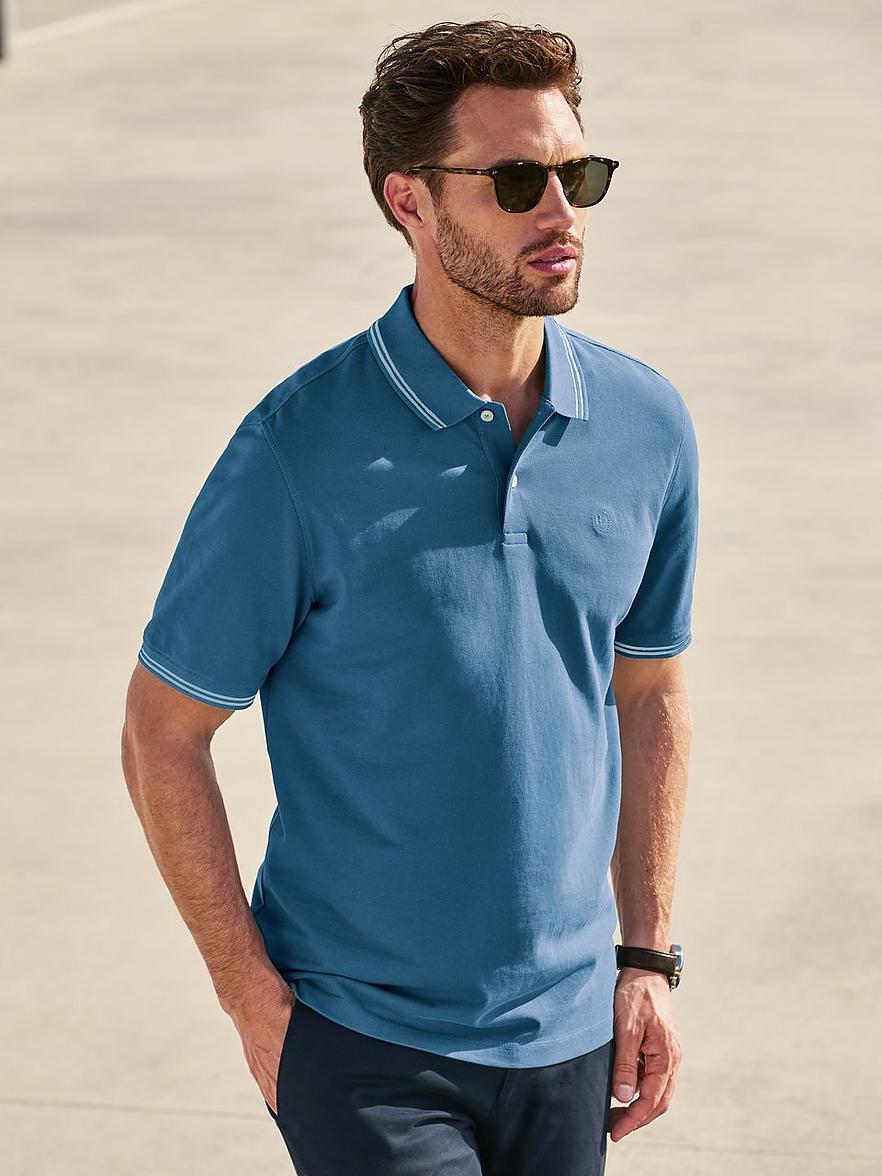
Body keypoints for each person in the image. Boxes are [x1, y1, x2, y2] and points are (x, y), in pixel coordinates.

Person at [121, 17, 698, 1175]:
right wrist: (254, 1003)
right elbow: (162, 732)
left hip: (573, 1032)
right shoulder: (297, 452)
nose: (560, 212)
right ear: (410, 202)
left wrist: (646, 959)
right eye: (517, 181)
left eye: (578, 174)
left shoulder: (647, 427)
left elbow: (650, 694)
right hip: (363, 1042)